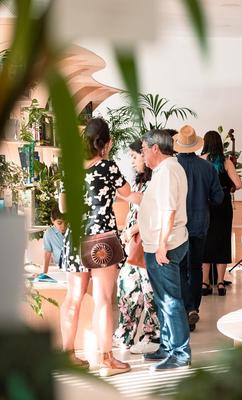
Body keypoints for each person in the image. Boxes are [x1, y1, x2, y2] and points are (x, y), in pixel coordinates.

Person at [59, 118, 137, 376]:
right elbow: (128, 192)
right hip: (101, 239)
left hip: (74, 237)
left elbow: (63, 207)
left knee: (73, 297)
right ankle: (106, 359)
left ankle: (68, 355)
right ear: (106, 143)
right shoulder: (107, 166)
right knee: (103, 298)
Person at [138, 129, 191, 371]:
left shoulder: (168, 170)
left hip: (165, 245)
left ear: (155, 148)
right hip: (159, 244)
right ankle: (168, 347)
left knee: (170, 301)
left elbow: (169, 210)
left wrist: (161, 245)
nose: (143, 154)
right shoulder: (163, 169)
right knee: (162, 300)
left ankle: (180, 353)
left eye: (143, 149)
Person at [113, 139, 160, 354]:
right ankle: (125, 334)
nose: (132, 161)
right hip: (134, 243)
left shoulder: (156, 182)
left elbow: (154, 214)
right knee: (128, 287)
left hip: (147, 242)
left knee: (149, 293)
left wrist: (130, 231)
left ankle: (152, 337)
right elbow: (133, 210)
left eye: (134, 156)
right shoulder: (139, 182)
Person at [174, 125, 224, 331]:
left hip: (177, 225)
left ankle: (187, 308)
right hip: (200, 223)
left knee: (179, 267)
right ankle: (194, 307)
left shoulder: (172, 167)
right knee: (195, 267)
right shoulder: (208, 167)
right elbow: (218, 197)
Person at [200, 130, 242, 297]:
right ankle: (220, 282)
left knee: (206, 241)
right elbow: (238, 184)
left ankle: (204, 282)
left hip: (206, 204)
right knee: (222, 241)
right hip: (223, 204)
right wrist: (228, 187)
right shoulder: (226, 162)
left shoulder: (201, 160)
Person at [42, 205, 66, 274]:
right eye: (59, 223)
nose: (63, 226)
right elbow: (47, 253)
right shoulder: (49, 233)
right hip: (60, 269)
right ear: (52, 220)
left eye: (67, 222)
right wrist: (44, 273)